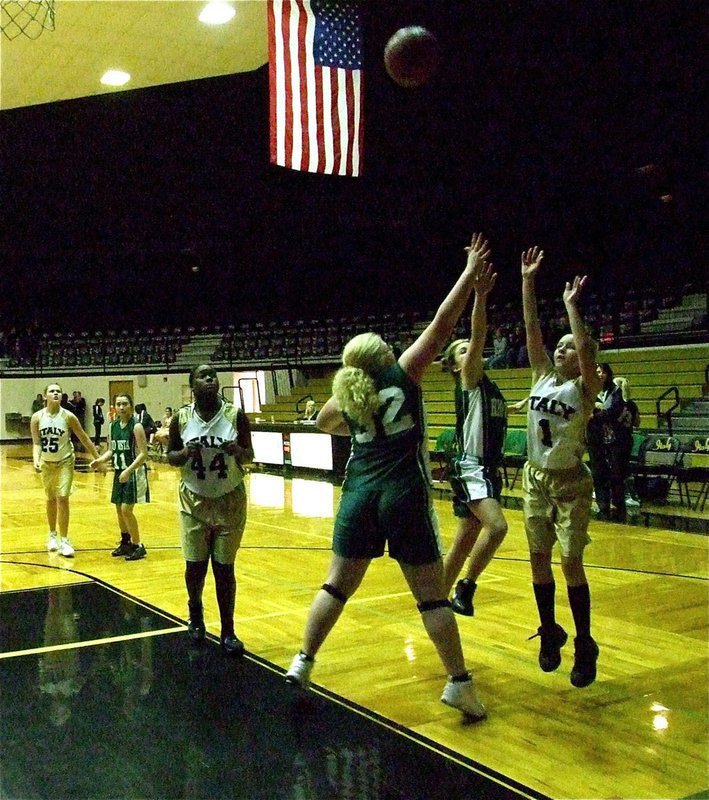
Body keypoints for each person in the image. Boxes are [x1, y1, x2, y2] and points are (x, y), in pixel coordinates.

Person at [285, 233, 492, 720]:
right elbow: (443, 326)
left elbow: (322, 422)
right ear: (381, 354)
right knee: (430, 595)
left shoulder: (348, 396)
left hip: (359, 493)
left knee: (336, 585)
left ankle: (303, 659)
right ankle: (459, 683)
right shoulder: (404, 371)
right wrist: (467, 275)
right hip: (402, 493)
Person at [520, 246, 604, 688]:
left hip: (570, 482)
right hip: (535, 477)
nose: (561, 349)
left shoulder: (585, 388)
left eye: (570, 347)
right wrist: (528, 281)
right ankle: (550, 630)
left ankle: (585, 641)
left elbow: (584, 349)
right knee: (537, 558)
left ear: (582, 358)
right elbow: (532, 326)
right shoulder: (539, 375)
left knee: (570, 561)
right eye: (560, 346)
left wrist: (573, 309)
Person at [167, 364, 253, 656]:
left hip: (230, 497)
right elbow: (171, 457)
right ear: (192, 384)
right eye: (203, 376)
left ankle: (228, 631)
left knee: (224, 568)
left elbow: (249, 455)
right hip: (193, 499)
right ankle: (196, 613)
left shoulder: (235, 415)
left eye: (213, 375)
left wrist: (237, 451)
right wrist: (184, 453)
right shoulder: (181, 418)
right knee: (195, 565)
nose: (210, 379)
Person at [440, 261, 508, 617]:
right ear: (455, 366)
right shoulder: (468, 378)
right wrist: (480, 297)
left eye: (470, 349)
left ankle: (434, 601)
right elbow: (480, 335)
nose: (471, 352)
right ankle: (466, 587)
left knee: (465, 538)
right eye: (462, 351)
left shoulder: (489, 388)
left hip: (487, 469)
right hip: (471, 465)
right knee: (497, 527)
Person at [31, 382, 100, 557]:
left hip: (65, 461)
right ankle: (52, 535)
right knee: (50, 498)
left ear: (62, 396)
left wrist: (97, 458)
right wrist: (36, 459)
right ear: (45, 396)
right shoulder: (37, 417)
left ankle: (65, 539)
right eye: (52, 391)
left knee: (63, 498)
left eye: (58, 391)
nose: (56, 394)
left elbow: (83, 437)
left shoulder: (68, 416)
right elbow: (37, 442)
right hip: (47, 463)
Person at [90, 393, 149, 561]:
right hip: (118, 471)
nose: (121, 407)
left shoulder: (136, 427)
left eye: (125, 404)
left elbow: (144, 454)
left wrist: (128, 471)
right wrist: (99, 460)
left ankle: (138, 544)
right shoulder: (113, 425)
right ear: (114, 406)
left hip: (133, 472)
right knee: (118, 508)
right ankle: (125, 541)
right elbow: (111, 450)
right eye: (118, 404)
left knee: (126, 509)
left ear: (131, 406)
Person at [587, 363, 632, 522]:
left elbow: (615, 411)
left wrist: (597, 413)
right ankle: (603, 505)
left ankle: (618, 505)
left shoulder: (615, 391)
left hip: (615, 439)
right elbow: (586, 410)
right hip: (596, 439)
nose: (600, 375)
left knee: (616, 474)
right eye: (597, 372)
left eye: (603, 372)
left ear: (608, 374)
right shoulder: (589, 390)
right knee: (598, 474)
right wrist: (597, 411)